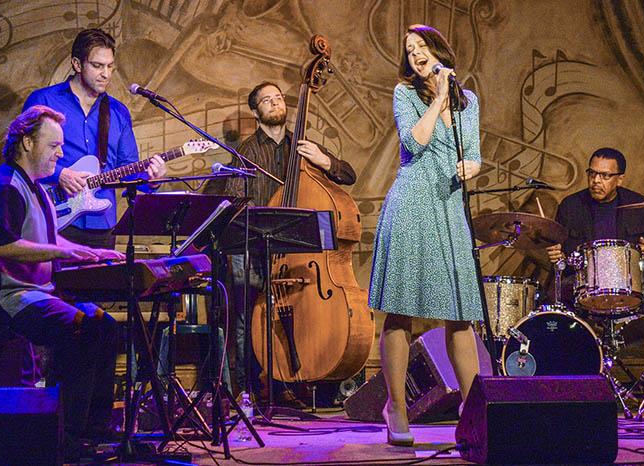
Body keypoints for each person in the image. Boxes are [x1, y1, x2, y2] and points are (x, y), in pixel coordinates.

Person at [0, 106, 125, 461]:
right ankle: (65, 439)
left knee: (106, 326)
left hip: (35, 295)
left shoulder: (35, 188)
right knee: (85, 330)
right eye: (53, 145)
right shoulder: (6, 186)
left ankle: (94, 432)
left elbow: (46, 237)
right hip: (6, 300)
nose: (60, 154)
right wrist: (61, 252)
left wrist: (85, 252)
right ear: (26, 142)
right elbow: (0, 245)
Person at [368, 24, 483, 446]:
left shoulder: (469, 100)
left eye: (421, 46)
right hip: (413, 204)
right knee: (401, 312)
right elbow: (414, 143)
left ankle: (473, 415)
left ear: (439, 51)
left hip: (450, 208)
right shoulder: (405, 94)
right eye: (409, 49)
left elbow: (472, 152)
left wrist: (474, 166)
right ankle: (396, 407)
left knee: (460, 315)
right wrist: (436, 98)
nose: (415, 53)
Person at [207, 81, 356, 405]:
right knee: (250, 319)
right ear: (255, 110)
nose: (275, 103)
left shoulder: (303, 149)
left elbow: (348, 175)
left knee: (300, 315)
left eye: (278, 98)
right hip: (256, 249)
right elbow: (233, 199)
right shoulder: (246, 153)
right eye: (266, 100)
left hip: (296, 254)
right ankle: (250, 389)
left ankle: (292, 383)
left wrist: (325, 160)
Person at [23, 28, 167, 248]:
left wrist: (151, 180)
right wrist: (60, 174)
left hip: (102, 224)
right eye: (97, 66)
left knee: (100, 282)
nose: (106, 74)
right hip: (52, 217)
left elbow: (127, 168)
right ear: (77, 64)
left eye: (110, 66)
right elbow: (21, 155)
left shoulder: (118, 112)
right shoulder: (44, 100)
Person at [545, 147, 644, 361]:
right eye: (592, 173)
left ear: (619, 179)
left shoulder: (639, 206)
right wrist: (558, 256)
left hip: (629, 283)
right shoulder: (571, 206)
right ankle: (573, 368)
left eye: (604, 175)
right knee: (555, 298)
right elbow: (561, 256)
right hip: (583, 282)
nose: (596, 180)